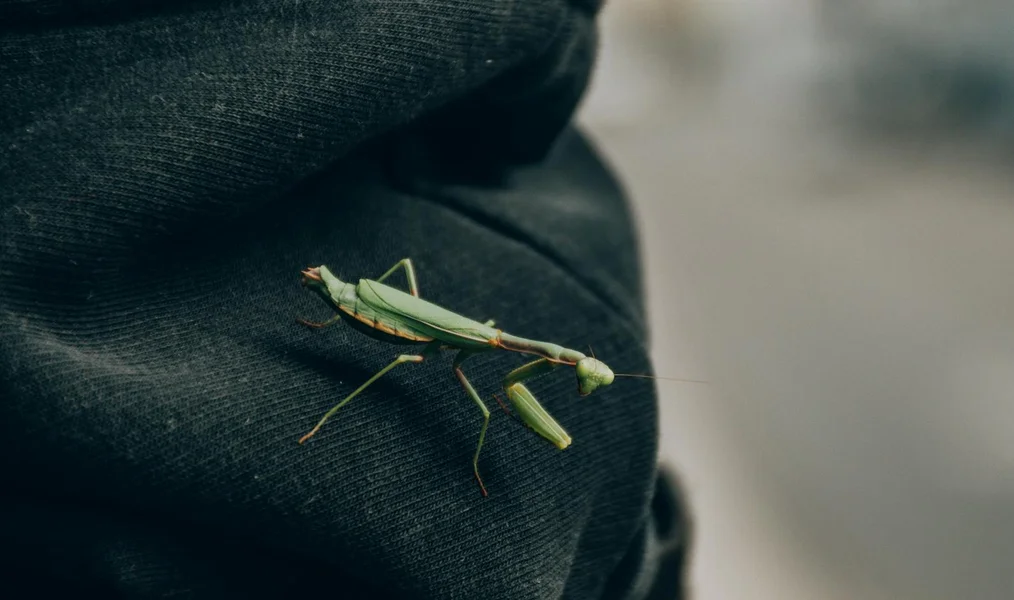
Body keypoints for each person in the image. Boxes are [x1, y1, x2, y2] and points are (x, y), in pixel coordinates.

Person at [0, 1, 688, 597]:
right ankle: (329, 412)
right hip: (368, 319)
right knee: (410, 369)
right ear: (566, 362)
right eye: (588, 375)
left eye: (589, 375)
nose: (589, 380)